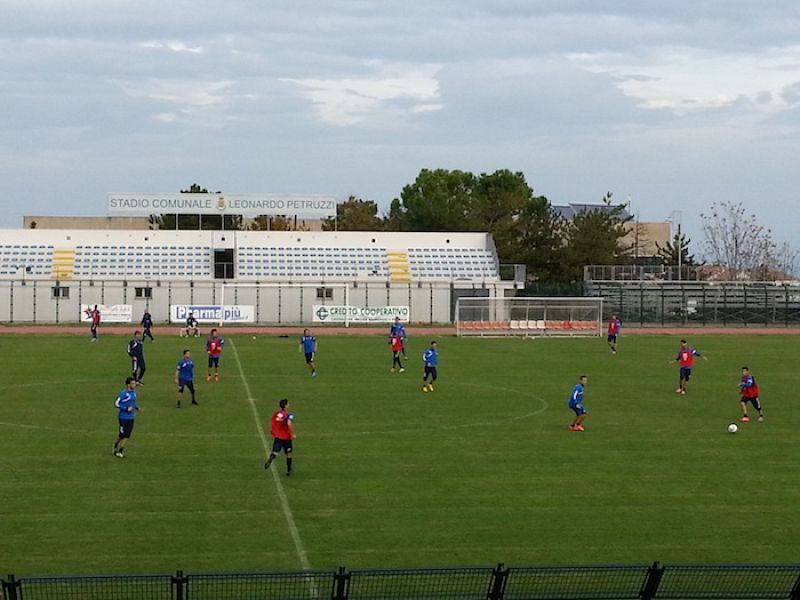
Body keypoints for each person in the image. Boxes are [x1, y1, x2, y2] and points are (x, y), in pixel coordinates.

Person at [264, 398, 296, 476]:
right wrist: (293, 433)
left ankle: (271, 458)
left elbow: (274, 421)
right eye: (288, 403)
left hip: (278, 436)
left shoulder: (276, 413)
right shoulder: (289, 414)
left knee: (275, 451)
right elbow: (289, 423)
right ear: (285, 406)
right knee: (289, 453)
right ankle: (288, 470)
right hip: (286, 438)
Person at [113, 377, 139, 458]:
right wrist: (126, 409)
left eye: (135, 383)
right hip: (123, 417)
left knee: (127, 435)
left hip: (131, 417)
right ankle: (116, 444)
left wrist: (137, 408)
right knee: (122, 435)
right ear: (128, 385)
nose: (135, 385)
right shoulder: (123, 393)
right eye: (133, 383)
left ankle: (120, 451)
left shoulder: (134, 392)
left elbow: (133, 402)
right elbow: (116, 404)